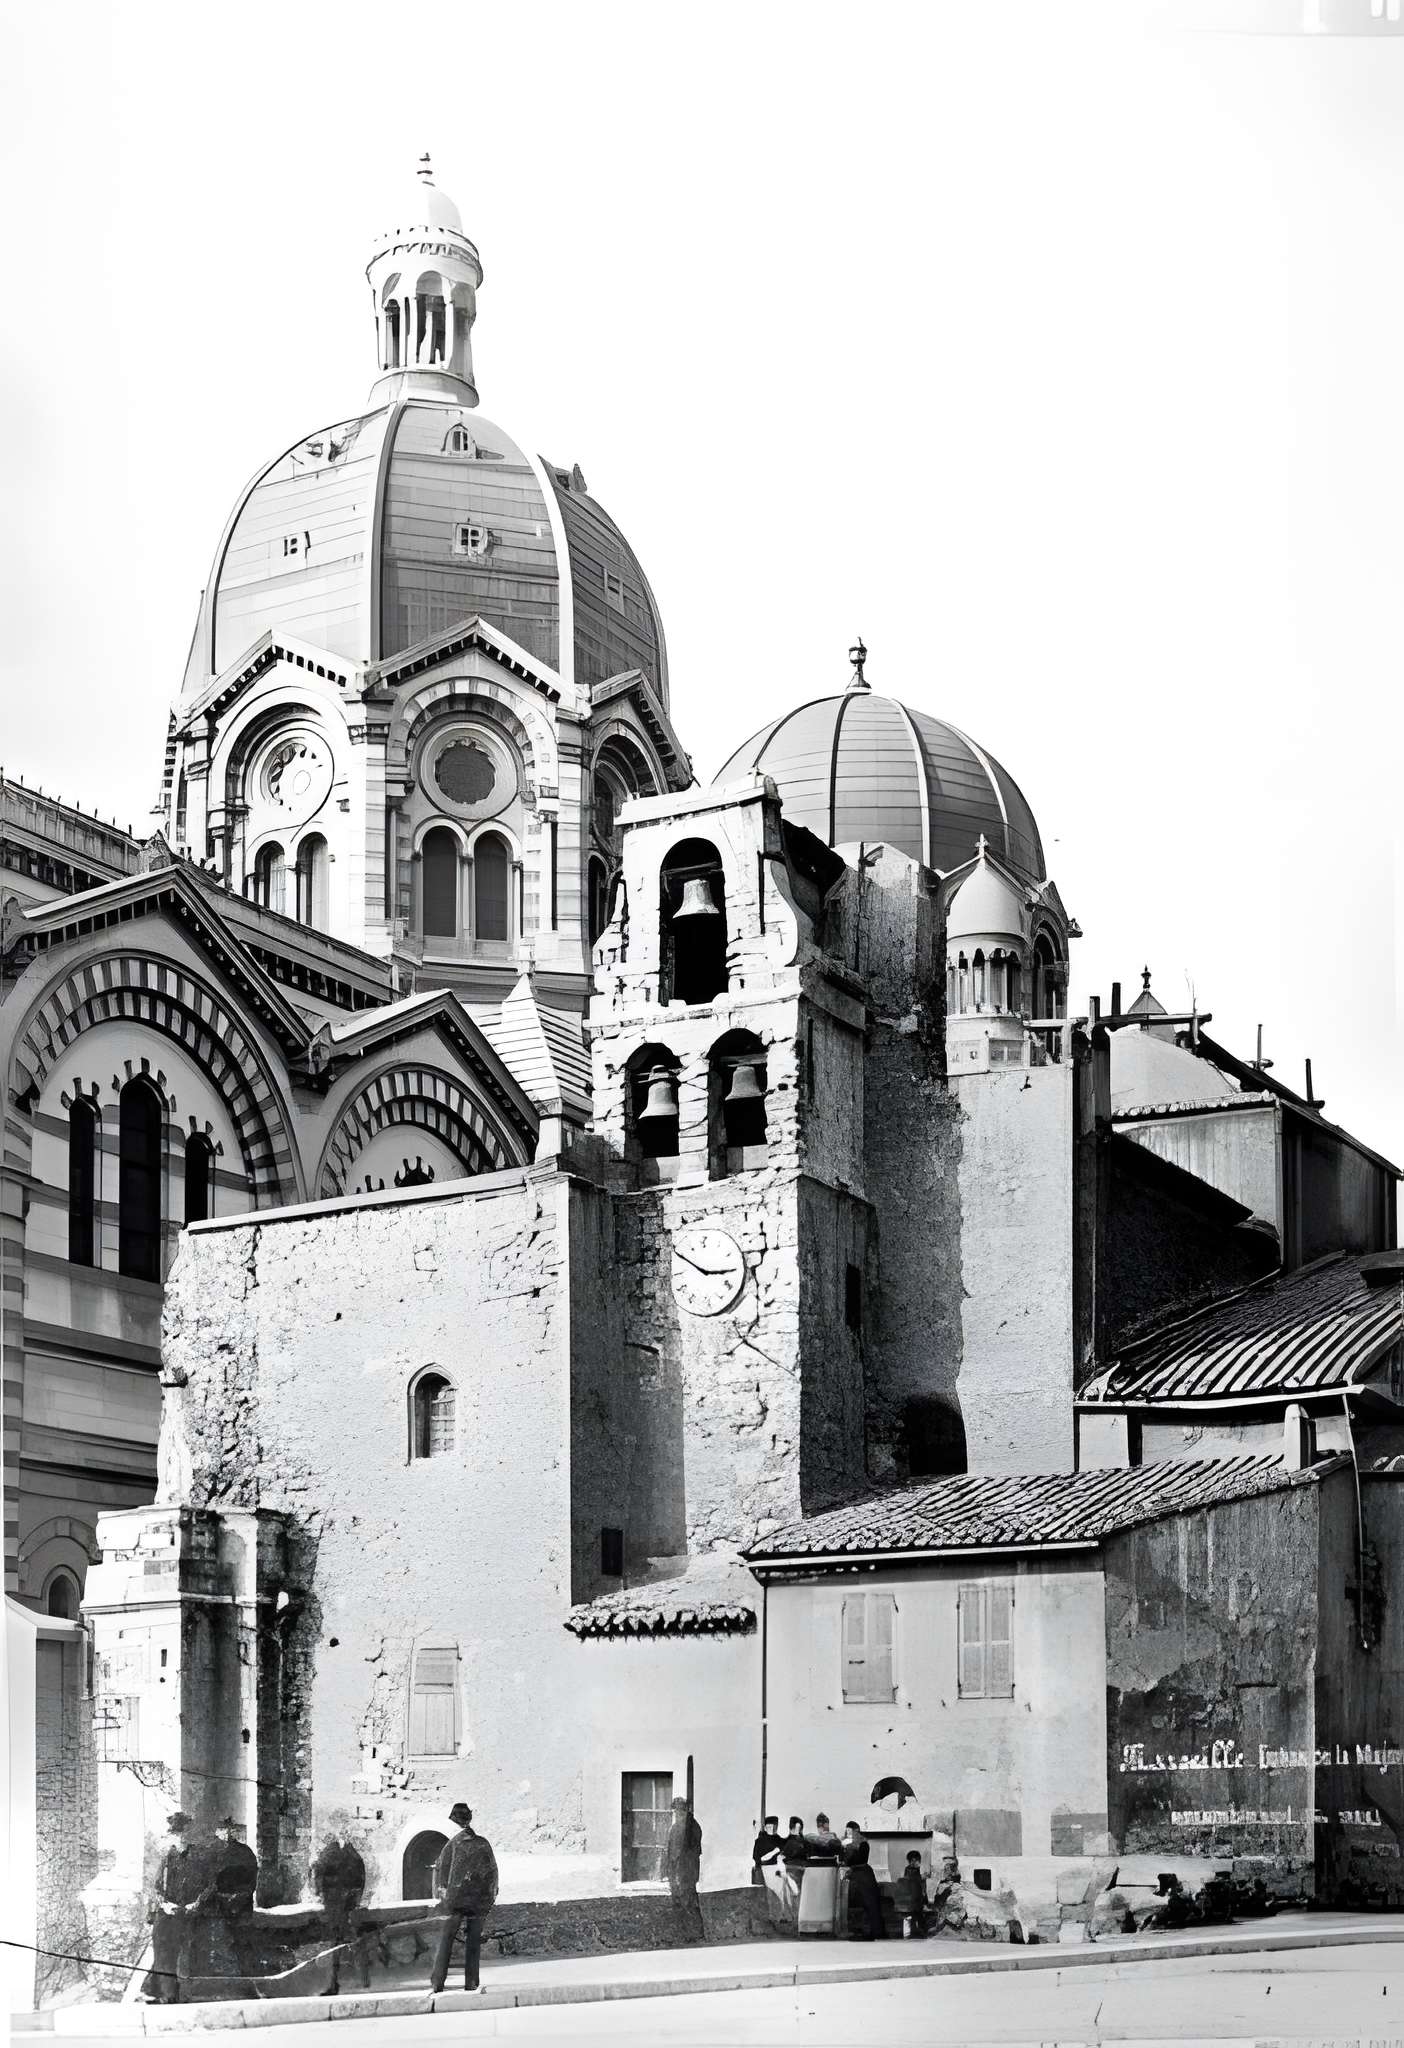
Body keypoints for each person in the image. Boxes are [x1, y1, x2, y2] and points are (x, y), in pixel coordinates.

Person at [430, 1803, 498, 1994]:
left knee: (446, 1940)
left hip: (455, 1902)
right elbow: (492, 1873)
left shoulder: (451, 1845)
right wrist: (489, 1897)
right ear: (469, 1819)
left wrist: (443, 1897)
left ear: (453, 1820)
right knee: (473, 1942)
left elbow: (441, 1874)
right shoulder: (482, 1843)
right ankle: (471, 1982)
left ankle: (438, 1982)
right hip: (478, 1902)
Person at [142, 1811, 205, 2002]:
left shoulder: (197, 1858)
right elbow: (156, 1886)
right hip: (166, 1912)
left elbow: (207, 1884)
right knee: (162, 1950)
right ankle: (164, 1994)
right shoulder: (167, 1857)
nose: (179, 1838)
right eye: (175, 1834)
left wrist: (195, 1904)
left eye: (182, 1834)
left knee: (182, 1956)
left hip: (187, 1913)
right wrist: (164, 1904)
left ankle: (172, 1994)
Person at [311, 1836, 371, 1991]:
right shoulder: (352, 1856)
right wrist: (355, 1899)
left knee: (337, 1943)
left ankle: (334, 1982)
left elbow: (319, 1879)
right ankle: (362, 1979)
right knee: (352, 1941)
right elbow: (360, 1881)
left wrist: (322, 1895)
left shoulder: (329, 1856)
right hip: (346, 1906)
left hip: (336, 1906)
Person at [205, 1816, 260, 1977]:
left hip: (241, 1903)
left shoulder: (245, 1852)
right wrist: (221, 1896)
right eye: (223, 1829)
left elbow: (252, 1877)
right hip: (221, 1904)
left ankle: (245, 1973)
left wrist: (240, 1896)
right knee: (222, 1940)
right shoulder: (214, 1854)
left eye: (230, 1829)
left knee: (242, 1939)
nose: (227, 1833)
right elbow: (209, 1879)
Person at [663, 1795, 704, 1943]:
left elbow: (695, 1851)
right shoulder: (675, 1828)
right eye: (676, 1811)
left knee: (689, 1901)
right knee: (678, 1902)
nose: (678, 1814)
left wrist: (684, 1869)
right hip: (675, 1871)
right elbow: (670, 1850)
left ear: (686, 1811)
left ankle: (695, 1934)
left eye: (680, 1811)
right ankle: (682, 1934)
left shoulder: (693, 1827)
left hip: (687, 1872)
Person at [841, 1822, 886, 1941]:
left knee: (863, 1904)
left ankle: (865, 1931)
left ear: (855, 1830)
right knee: (867, 1904)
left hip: (860, 1876)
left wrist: (846, 1848)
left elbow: (851, 1860)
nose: (848, 1834)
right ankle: (868, 1930)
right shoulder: (862, 1843)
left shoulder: (858, 1844)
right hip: (864, 1875)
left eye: (849, 1831)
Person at [894, 1850, 929, 1938]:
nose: (914, 1863)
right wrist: (921, 1878)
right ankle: (916, 1933)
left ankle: (919, 1933)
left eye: (916, 1860)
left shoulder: (918, 1870)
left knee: (918, 1917)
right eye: (912, 1861)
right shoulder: (910, 1870)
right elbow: (911, 1882)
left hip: (916, 1899)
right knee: (914, 1917)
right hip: (912, 1899)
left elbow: (923, 1887)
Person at [750, 1816, 784, 1884]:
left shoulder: (779, 1840)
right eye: (769, 1827)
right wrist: (775, 1851)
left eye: (774, 1827)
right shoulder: (760, 1841)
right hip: (762, 1871)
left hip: (776, 1871)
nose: (772, 1829)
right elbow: (757, 1857)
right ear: (765, 1828)